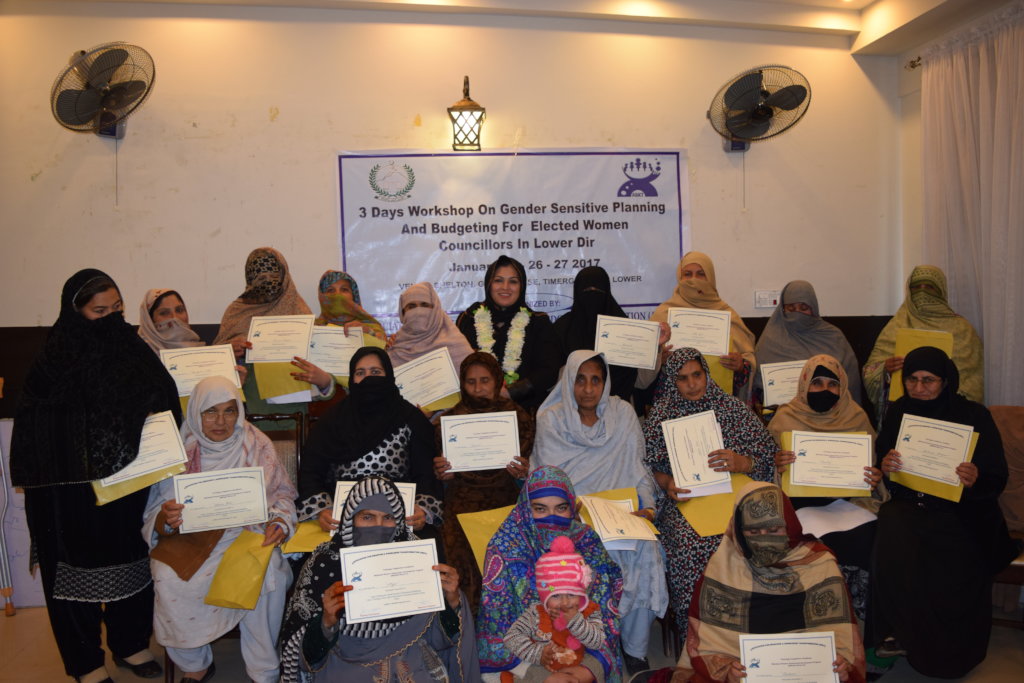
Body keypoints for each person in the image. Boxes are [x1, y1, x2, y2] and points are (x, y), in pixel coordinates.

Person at [10, 269, 181, 683]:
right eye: (98, 310)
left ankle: (130, 644)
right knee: (70, 573)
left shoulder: (131, 348)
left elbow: (164, 396)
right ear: (75, 312)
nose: (110, 318)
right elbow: (38, 426)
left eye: (116, 309)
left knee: (131, 559)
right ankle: (84, 661)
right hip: (67, 491)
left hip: (124, 483)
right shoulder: (53, 359)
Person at [142, 375, 297, 683]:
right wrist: (166, 516)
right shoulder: (177, 452)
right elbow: (155, 510)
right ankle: (196, 664)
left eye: (229, 411)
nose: (220, 421)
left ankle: (263, 670)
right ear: (196, 413)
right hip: (192, 539)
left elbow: (283, 495)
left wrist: (280, 521)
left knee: (270, 574)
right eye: (210, 412)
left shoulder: (257, 443)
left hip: (248, 533)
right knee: (166, 575)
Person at [872, 346, 1012, 677]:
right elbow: (883, 461)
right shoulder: (899, 411)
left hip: (962, 507)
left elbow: (997, 477)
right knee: (891, 529)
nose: (919, 388)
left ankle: (950, 652)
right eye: (912, 380)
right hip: (911, 503)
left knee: (951, 549)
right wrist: (886, 465)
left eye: (929, 380)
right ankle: (899, 632)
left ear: (946, 380)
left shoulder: (975, 416)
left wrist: (975, 478)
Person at [532, 351, 668, 673]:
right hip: (572, 518)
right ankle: (595, 643)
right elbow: (546, 477)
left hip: (623, 517)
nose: (589, 389)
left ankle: (634, 649)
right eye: (581, 379)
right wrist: (571, 512)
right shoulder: (551, 419)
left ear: (605, 384)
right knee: (591, 551)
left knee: (647, 548)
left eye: (596, 380)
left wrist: (647, 509)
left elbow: (638, 468)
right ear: (569, 382)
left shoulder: (622, 413)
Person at [278, 475, 479, 682]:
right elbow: (301, 654)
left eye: (388, 518)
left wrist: (452, 601)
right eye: (367, 517)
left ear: (399, 521)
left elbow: (440, 639)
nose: (379, 526)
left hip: (411, 656)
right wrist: (326, 623)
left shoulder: (416, 557)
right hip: (345, 661)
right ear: (350, 519)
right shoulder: (325, 563)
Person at [642, 348, 776, 640]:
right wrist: (667, 483)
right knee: (691, 544)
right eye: (682, 378)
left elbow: (768, 453)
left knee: (756, 535)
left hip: (733, 498)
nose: (692, 384)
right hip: (684, 503)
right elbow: (647, 467)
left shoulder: (733, 409)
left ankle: (749, 631)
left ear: (706, 373)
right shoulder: (661, 416)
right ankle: (697, 636)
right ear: (671, 382)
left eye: (697, 375)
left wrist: (743, 462)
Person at [673, 482, 866, 682]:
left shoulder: (820, 564)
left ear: (789, 525)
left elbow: (841, 640)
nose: (764, 541)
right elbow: (707, 644)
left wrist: (842, 668)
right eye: (754, 533)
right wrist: (727, 672)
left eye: (773, 530)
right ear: (739, 532)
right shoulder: (722, 567)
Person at [478, 466, 624, 683]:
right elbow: (498, 625)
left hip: (584, 643)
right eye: (540, 508)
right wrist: (537, 663)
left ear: (572, 507)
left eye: (561, 508)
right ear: (526, 509)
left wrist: (589, 664)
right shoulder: (506, 545)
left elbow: (603, 611)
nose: (552, 518)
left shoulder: (585, 539)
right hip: (522, 654)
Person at [766, 355, 883, 621]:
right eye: (817, 383)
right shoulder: (786, 417)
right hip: (802, 503)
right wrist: (777, 464)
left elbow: (872, 469)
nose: (825, 390)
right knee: (810, 540)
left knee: (872, 537)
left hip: (850, 502)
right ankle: (817, 616)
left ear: (842, 387)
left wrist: (874, 477)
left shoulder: (856, 416)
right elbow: (763, 474)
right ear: (804, 383)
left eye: (833, 384)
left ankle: (859, 616)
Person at [297, 347, 443, 537]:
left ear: (388, 375)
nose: (368, 378)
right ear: (352, 378)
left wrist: (422, 510)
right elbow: (311, 473)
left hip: (398, 519)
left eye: (375, 372)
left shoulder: (410, 418)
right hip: (342, 520)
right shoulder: (332, 420)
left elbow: (426, 474)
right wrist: (322, 510)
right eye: (360, 373)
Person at [433, 352, 536, 613]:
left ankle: (510, 623)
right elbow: (440, 480)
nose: (478, 388)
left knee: (509, 553)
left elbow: (527, 471)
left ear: (498, 381)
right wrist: (443, 474)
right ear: (462, 385)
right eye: (471, 382)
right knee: (461, 555)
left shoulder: (519, 417)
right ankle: (469, 623)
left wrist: (523, 471)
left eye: (485, 380)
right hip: (462, 498)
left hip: (505, 494)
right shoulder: (447, 422)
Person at [213, 247, 334, 427]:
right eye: (260, 276)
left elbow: (324, 377)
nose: (268, 281)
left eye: (273, 274)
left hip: (294, 421)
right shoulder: (236, 312)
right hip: (245, 420)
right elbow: (212, 373)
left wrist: (324, 382)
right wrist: (230, 352)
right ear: (249, 278)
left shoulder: (301, 314)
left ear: (284, 275)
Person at [862, 265, 984, 416]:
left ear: (941, 290)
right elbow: (871, 370)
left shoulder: (962, 329)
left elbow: (972, 380)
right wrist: (885, 369)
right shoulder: (896, 325)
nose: (922, 292)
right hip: (904, 411)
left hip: (949, 415)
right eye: (916, 287)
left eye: (929, 287)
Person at [456, 255, 560, 409]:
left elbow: (549, 371)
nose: (505, 287)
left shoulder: (537, 322)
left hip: (524, 412)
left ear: (522, 286)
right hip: (475, 411)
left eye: (513, 281)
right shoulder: (469, 319)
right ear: (489, 284)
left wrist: (512, 392)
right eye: (498, 280)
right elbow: (456, 365)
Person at [552, 267, 666, 404]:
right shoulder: (562, 329)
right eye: (587, 291)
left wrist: (655, 347)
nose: (592, 298)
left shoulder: (625, 328)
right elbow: (552, 383)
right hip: (570, 413)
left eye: (597, 291)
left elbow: (642, 381)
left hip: (620, 412)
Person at [651, 252, 756, 400]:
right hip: (673, 403)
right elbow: (644, 368)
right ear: (680, 278)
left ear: (710, 278)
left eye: (701, 274)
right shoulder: (664, 313)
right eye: (687, 274)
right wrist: (658, 359)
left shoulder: (726, 314)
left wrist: (740, 365)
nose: (694, 280)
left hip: (720, 401)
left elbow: (748, 359)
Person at [502, 536, 607, 683]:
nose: (564, 602)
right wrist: (538, 654)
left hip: (578, 662)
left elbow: (597, 642)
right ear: (545, 597)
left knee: (597, 667)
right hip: (542, 667)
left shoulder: (589, 611)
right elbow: (511, 637)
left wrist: (576, 620)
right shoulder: (536, 614)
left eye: (571, 594)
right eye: (556, 595)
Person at [753, 280, 862, 404]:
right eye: (791, 308)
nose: (797, 313)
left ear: (813, 308)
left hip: (832, 411)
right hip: (783, 412)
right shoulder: (771, 338)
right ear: (783, 310)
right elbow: (758, 385)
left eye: (803, 308)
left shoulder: (833, 337)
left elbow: (850, 381)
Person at [389, 281, 474, 372]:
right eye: (411, 306)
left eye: (424, 305)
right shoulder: (396, 345)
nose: (419, 311)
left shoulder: (457, 344)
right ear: (403, 313)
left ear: (435, 309)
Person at [313, 269, 386, 342]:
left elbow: (383, 345)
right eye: (331, 290)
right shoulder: (313, 328)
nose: (338, 295)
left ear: (353, 296)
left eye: (344, 290)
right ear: (322, 297)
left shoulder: (370, 327)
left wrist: (369, 332)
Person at [137, 288, 205, 353]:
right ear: (149, 320)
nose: (174, 318)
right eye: (164, 313)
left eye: (179, 310)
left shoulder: (200, 350)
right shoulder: (140, 353)